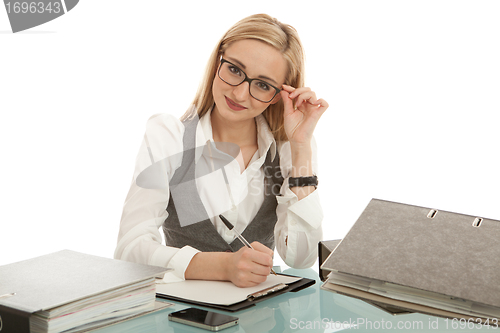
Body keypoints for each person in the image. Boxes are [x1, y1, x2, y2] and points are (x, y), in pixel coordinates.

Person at [114, 14, 328, 288]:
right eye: (235, 70)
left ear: (278, 95)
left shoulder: (288, 149)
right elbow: (129, 250)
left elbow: (301, 258)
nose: (239, 94)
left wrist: (301, 147)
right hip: (184, 318)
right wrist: (222, 266)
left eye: (262, 85)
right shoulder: (169, 137)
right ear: (218, 62)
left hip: (263, 318)